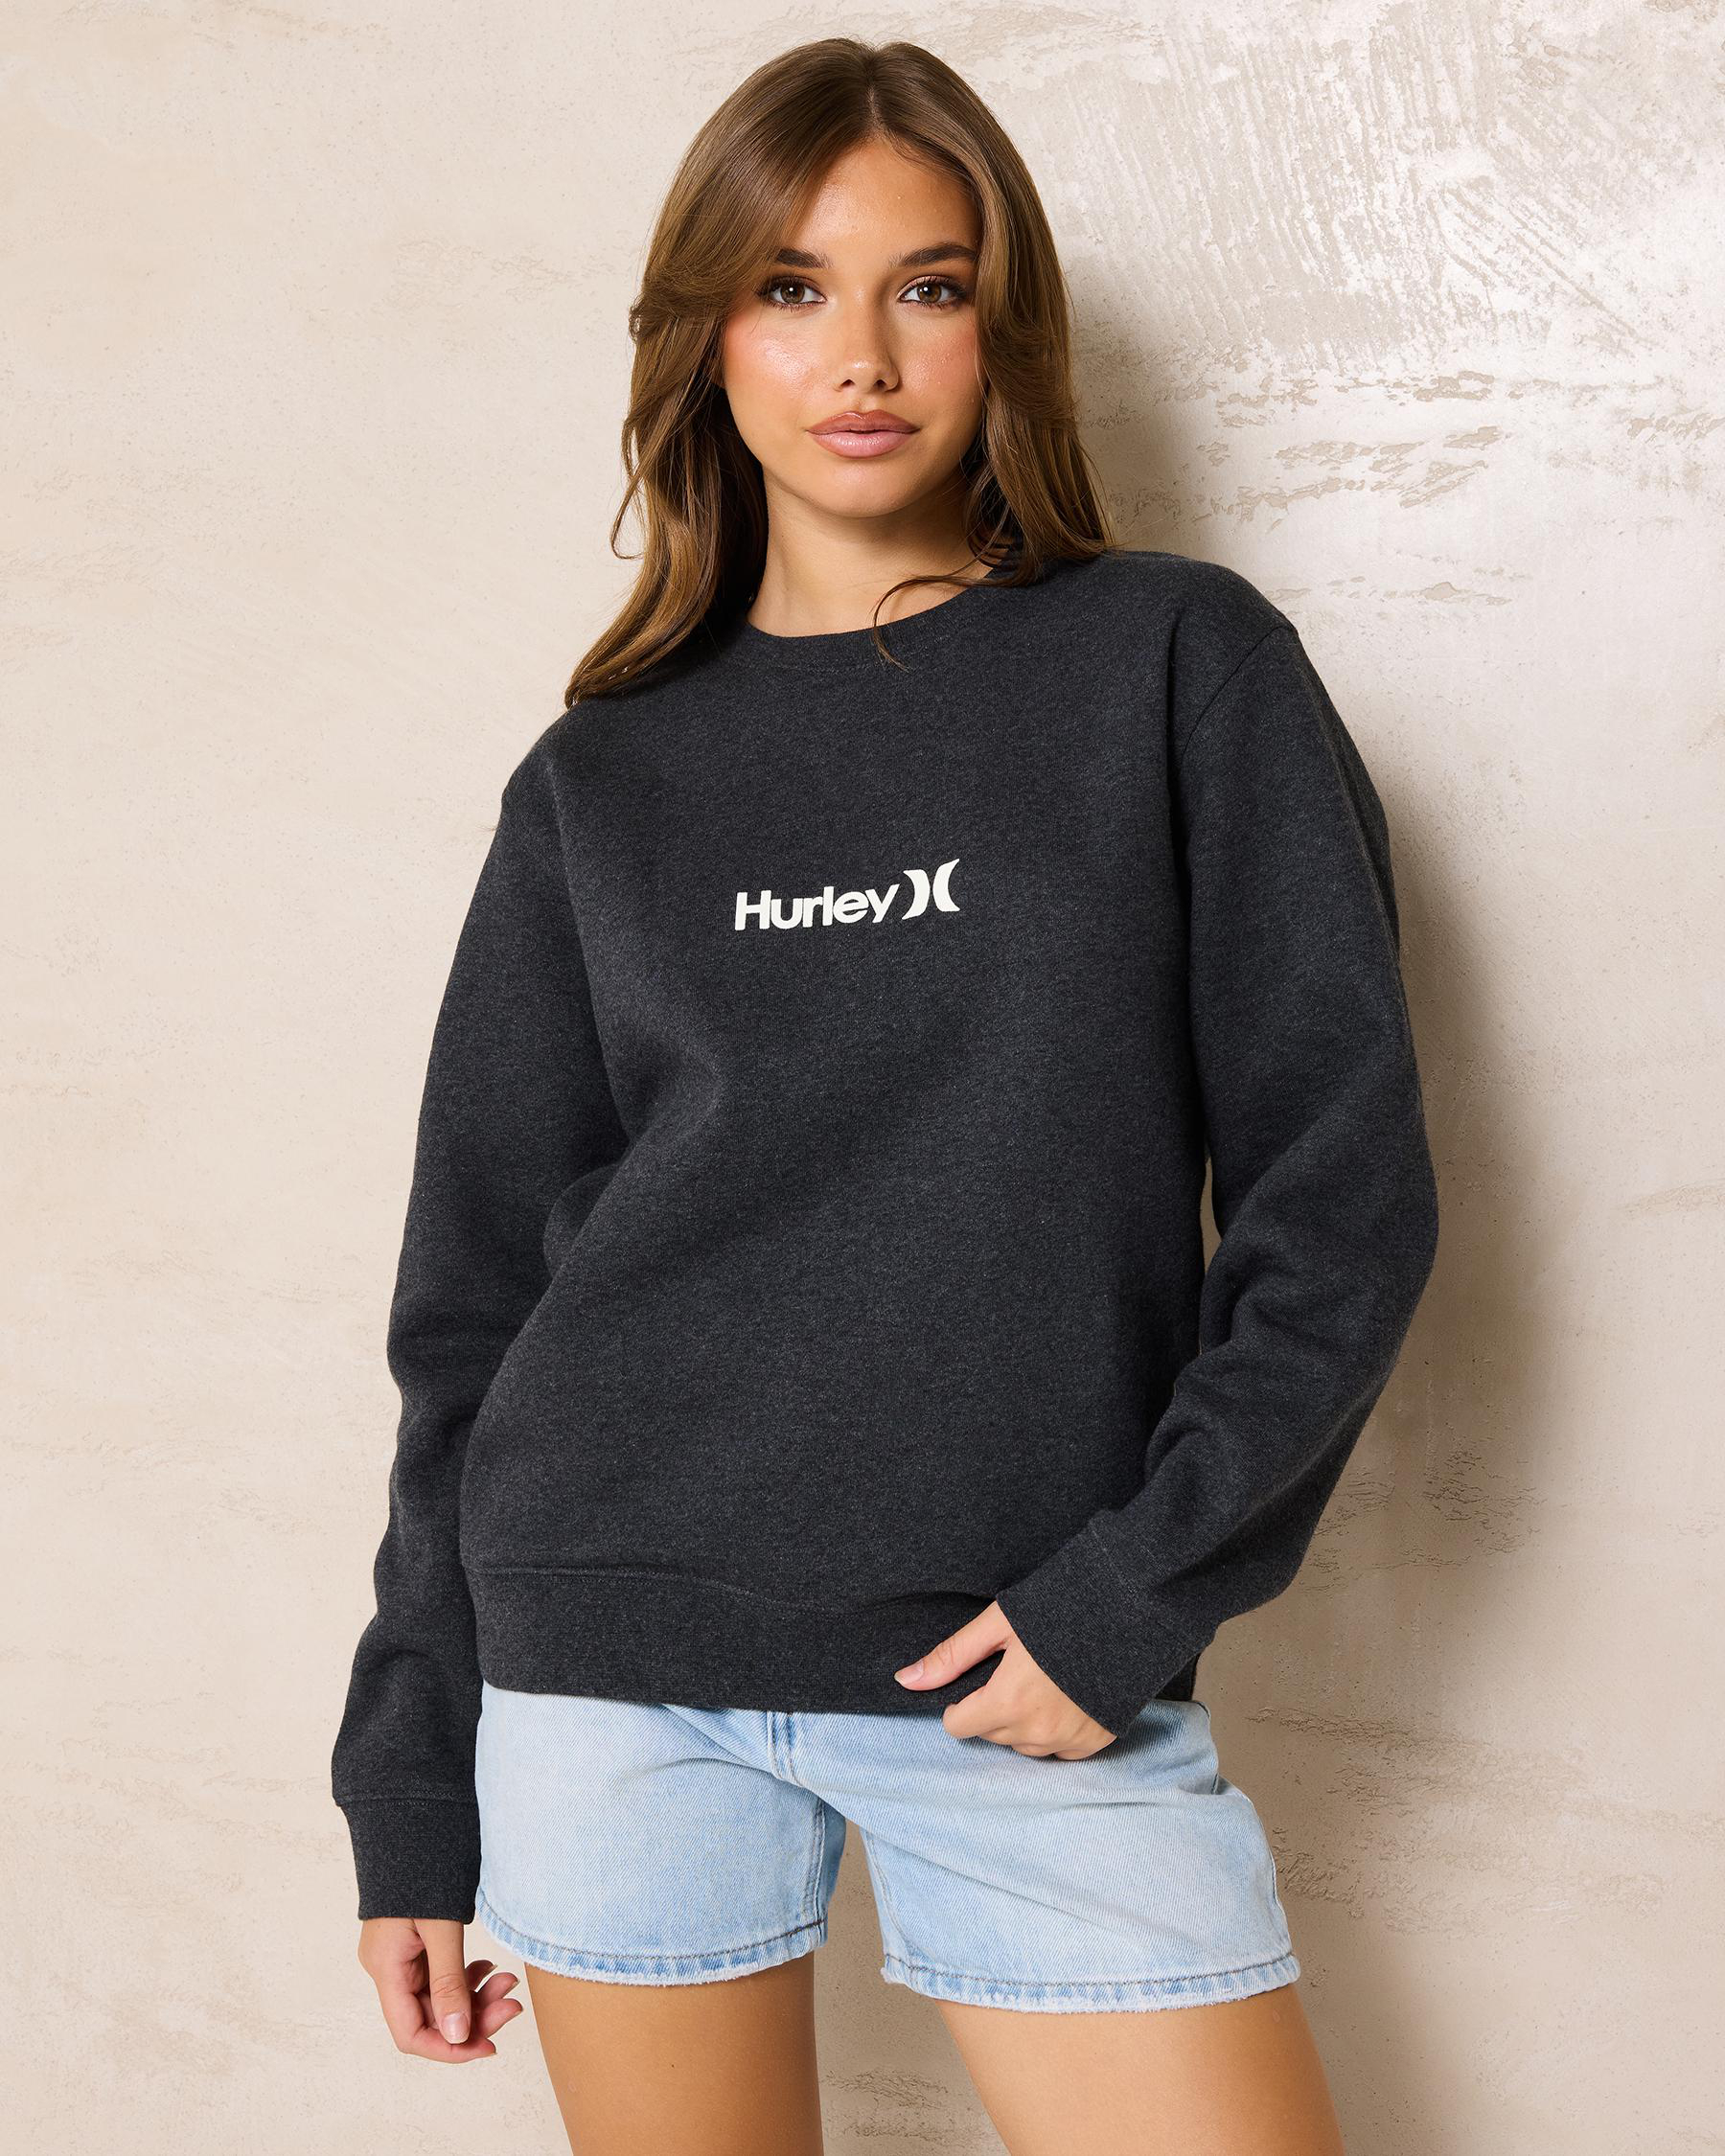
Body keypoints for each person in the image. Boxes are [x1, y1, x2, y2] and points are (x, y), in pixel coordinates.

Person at [331, 37, 1438, 2155]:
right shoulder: (601, 779)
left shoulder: (1172, 664)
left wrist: (1134, 1595)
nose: (861, 353)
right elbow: (472, 1309)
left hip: (1028, 1670)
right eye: (790, 288)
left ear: (1002, 328)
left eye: (929, 287)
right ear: (705, 339)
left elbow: (1342, 1198)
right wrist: (410, 1775)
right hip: (607, 1668)